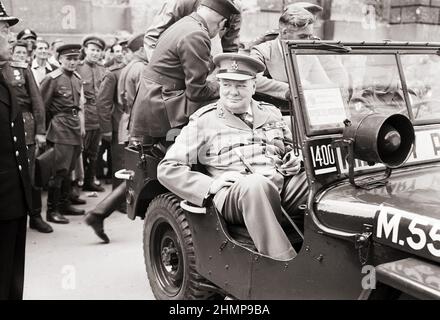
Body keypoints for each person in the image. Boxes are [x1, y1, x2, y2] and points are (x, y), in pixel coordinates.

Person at [158, 53, 308, 261]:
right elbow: (168, 168)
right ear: (219, 85)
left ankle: (334, 255)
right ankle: (282, 262)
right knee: (255, 184)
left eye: (241, 85)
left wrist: (295, 160)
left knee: (319, 179)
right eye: (227, 85)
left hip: (280, 184)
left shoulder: (271, 112)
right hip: (236, 195)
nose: (232, 92)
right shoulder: (204, 120)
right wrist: (211, 184)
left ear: (254, 87)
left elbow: (291, 149)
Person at [130, 0, 239, 143]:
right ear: (221, 22)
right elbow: (197, 92)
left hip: (152, 101)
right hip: (163, 107)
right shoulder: (197, 35)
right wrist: (225, 86)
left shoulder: (185, 24)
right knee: (225, 105)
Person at [2, 40, 53, 233]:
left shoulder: (22, 69)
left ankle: (35, 215)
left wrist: (40, 131)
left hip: (25, 125)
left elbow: (37, 102)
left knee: (30, 174)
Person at [0, 2, 32, 300]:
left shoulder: (6, 78)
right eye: (3, 30)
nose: (12, 37)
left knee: (11, 283)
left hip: (12, 200)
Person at [40, 44, 86, 224]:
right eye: (69, 59)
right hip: (59, 129)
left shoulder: (76, 77)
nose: (72, 62)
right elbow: (41, 107)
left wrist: (81, 126)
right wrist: (41, 133)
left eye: (75, 59)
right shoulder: (52, 79)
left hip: (74, 127)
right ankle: (52, 211)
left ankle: (65, 204)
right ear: (59, 59)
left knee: (70, 169)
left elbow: (79, 106)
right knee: (59, 170)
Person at [251, 6, 330, 101]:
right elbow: (254, 79)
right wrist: (292, 91)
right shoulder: (262, 51)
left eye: (310, 36)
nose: (308, 41)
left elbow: (324, 83)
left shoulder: (308, 53)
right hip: (274, 111)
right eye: (303, 37)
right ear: (284, 32)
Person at [144, 0, 242, 61]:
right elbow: (152, 36)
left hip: (198, 59)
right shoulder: (180, 3)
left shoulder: (233, 10)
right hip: (163, 57)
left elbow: (231, 50)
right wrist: (160, 67)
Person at [77, 36, 107, 192]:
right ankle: (79, 181)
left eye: (98, 50)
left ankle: (90, 180)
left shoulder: (103, 69)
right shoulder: (78, 67)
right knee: (81, 151)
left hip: (98, 117)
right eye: (92, 50)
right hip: (84, 117)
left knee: (95, 152)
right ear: (85, 50)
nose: (95, 53)